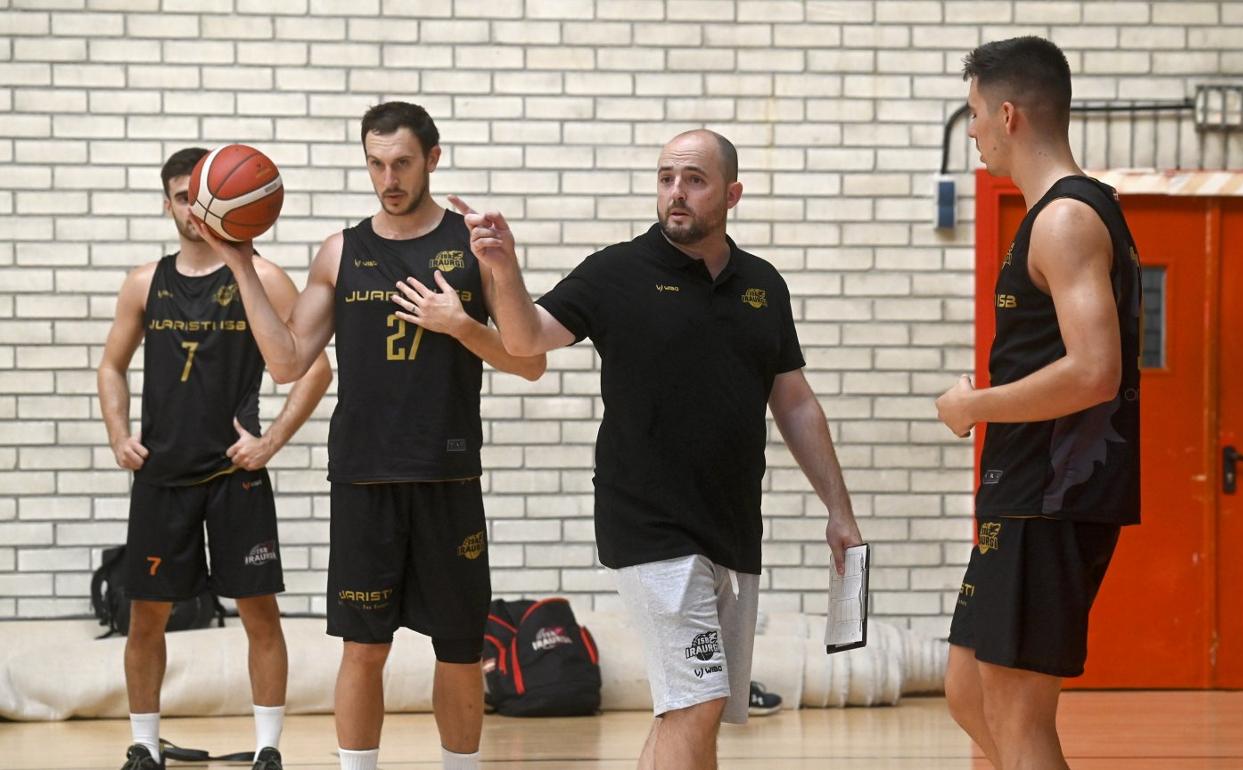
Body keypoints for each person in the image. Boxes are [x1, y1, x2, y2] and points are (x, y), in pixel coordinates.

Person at [449, 128, 862, 770]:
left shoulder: (763, 285)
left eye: (694, 180)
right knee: (698, 701)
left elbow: (796, 403)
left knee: (694, 709)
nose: (676, 192)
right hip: (648, 525)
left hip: (731, 527)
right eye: (667, 178)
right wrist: (503, 266)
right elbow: (526, 339)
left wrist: (839, 509)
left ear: (732, 194)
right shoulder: (617, 271)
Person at [192, 102, 545, 770]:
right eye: (376, 163)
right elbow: (287, 362)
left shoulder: (475, 245)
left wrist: (462, 325)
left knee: (459, 649)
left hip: (447, 475)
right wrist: (239, 263)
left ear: (433, 159)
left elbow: (530, 362)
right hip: (363, 477)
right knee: (362, 648)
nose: (388, 178)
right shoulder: (341, 251)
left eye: (402, 163)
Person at [936, 37, 1142, 770]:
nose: (974, 131)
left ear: (1009, 115)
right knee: (968, 691)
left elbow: (1094, 372)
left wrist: (976, 406)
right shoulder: (1054, 216)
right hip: (1021, 494)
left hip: (1050, 499)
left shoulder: (1065, 219)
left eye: (975, 114)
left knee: (1017, 715)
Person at [98, 147, 334, 770]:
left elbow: (315, 368)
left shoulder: (264, 277)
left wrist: (271, 439)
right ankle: (144, 745)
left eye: (200, 196)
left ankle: (267, 749)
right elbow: (111, 366)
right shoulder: (145, 283)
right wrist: (119, 435)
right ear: (168, 204)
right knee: (145, 617)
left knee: (260, 612)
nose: (193, 208)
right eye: (182, 197)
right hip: (163, 477)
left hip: (236, 475)